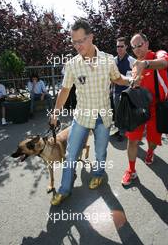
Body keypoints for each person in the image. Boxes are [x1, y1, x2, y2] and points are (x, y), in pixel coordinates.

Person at [49, 19, 137, 205]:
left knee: (100, 150)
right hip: (81, 116)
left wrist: (130, 80)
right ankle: (64, 190)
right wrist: (55, 113)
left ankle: (98, 174)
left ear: (91, 37)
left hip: (103, 116)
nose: (77, 45)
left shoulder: (107, 60)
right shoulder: (72, 64)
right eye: (74, 41)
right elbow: (64, 90)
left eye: (81, 40)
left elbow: (117, 78)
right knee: (71, 153)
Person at [121, 32, 168, 186]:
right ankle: (131, 170)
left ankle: (150, 152)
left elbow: (163, 63)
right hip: (139, 108)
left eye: (139, 44)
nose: (137, 49)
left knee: (153, 139)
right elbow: (134, 85)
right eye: (134, 47)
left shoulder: (158, 55)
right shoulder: (135, 65)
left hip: (157, 108)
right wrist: (133, 83)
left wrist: (146, 64)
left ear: (147, 43)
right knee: (132, 139)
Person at [113, 37, 136, 141]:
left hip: (127, 92)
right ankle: (120, 130)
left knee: (124, 113)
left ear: (126, 47)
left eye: (121, 46)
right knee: (118, 112)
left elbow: (136, 76)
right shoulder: (113, 60)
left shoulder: (131, 60)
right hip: (116, 91)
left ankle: (123, 133)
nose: (119, 48)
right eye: (118, 46)